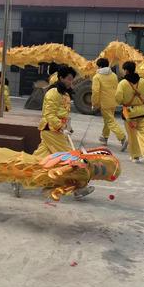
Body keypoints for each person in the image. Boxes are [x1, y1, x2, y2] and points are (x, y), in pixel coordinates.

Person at [33, 65, 95, 199]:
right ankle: (78, 187)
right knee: (71, 159)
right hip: (52, 131)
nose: (70, 82)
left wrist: (68, 127)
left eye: (72, 80)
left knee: (39, 159)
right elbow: (49, 115)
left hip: (55, 131)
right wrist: (61, 128)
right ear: (60, 78)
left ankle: (19, 179)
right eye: (68, 79)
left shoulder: (64, 93)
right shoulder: (53, 93)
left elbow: (64, 114)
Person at [115, 61, 144, 171]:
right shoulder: (143, 82)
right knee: (143, 134)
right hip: (143, 112)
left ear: (126, 70)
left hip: (130, 114)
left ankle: (135, 156)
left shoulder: (123, 83)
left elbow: (118, 98)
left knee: (132, 135)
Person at [91, 57, 127, 151]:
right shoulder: (113, 75)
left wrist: (95, 103)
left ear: (99, 66)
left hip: (104, 102)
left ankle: (122, 137)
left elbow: (95, 91)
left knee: (110, 121)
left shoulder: (97, 77)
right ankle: (104, 137)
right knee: (108, 120)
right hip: (113, 101)